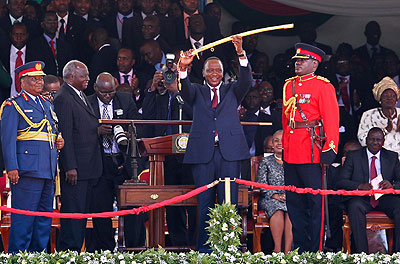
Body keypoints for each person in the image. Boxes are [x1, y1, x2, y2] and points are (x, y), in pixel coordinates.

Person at [179, 35, 251, 252]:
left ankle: (228, 249)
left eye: (217, 70)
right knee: (204, 204)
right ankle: (204, 251)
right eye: (209, 70)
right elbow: (184, 88)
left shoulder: (233, 91)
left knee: (229, 204)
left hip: (229, 154)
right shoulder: (197, 92)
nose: (214, 74)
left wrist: (240, 53)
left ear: (223, 73)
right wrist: (183, 69)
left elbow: (246, 80)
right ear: (203, 73)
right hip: (203, 155)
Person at [0, 61, 64, 253]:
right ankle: (18, 257)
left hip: (47, 168)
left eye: (41, 79)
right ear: (22, 82)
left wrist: (58, 141)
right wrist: (11, 167)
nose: (39, 82)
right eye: (34, 79)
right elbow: (8, 139)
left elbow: (49, 133)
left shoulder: (46, 104)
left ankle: (39, 256)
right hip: (26, 170)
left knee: (43, 220)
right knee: (24, 219)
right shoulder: (14, 105)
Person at [282, 43, 339, 253]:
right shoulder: (289, 85)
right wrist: (285, 149)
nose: (298, 63)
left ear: (314, 64)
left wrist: (329, 148)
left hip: (312, 152)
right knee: (295, 204)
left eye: (302, 60)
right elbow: (286, 121)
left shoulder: (323, 86)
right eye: (297, 60)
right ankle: (299, 250)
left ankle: (315, 250)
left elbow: (331, 119)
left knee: (316, 205)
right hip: (292, 152)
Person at [86, 72, 143, 251]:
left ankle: (134, 250)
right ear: (95, 89)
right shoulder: (87, 102)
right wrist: (96, 131)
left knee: (133, 209)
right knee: (101, 210)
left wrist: (128, 134)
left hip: (123, 161)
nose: (108, 95)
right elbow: (81, 131)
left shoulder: (125, 100)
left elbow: (138, 126)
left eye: (111, 91)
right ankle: (105, 251)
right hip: (100, 163)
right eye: (103, 92)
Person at [53, 60, 103, 251]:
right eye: (84, 76)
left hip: (88, 168)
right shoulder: (63, 97)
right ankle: (68, 255)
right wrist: (70, 166)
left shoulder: (79, 94)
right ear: (71, 77)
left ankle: (77, 254)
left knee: (81, 216)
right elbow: (64, 134)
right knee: (73, 218)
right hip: (76, 170)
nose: (88, 79)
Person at [337, 127, 400, 253]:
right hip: (362, 198)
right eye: (372, 139)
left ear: (383, 141)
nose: (375, 142)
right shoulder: (353, 156)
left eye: (378, 140)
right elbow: (341, 181)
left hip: (384, 198)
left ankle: (397, 254)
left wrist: (392, 185)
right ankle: (362, 255)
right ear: (366, 140)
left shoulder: (392, 157)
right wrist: (359, 186)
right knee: (354, 207)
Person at [256, 130, 292, 254]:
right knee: (277, 209)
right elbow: (261, 184)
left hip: (290, 197)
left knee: (292, 211)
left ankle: (287, 252)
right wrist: (275, 195)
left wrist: (288, 195)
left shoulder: (293, 161)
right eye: (276, 140)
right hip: (269, 198)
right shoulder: (265, 162)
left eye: (282, 140)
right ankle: (277, 250)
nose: (279, 143)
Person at [358, 77, 400, 156]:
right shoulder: (368, 115)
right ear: (379, 99)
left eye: (392, 96)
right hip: (379, 158)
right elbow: (362, 140)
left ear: (396, 99)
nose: (389, 98)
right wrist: (385, 131)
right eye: (385, 96)